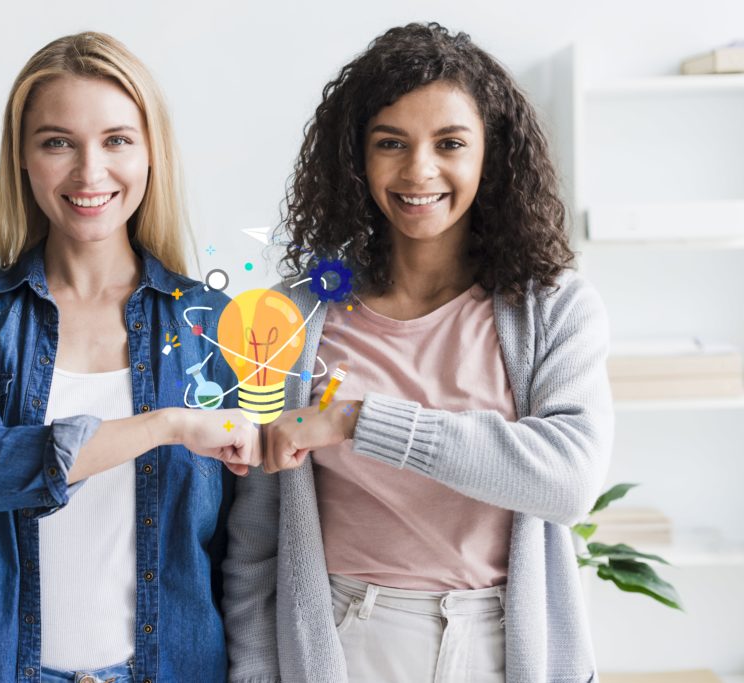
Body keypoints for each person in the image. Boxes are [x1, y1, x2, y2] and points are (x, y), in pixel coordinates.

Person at [224, 23, 613, 683]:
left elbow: (568, 479)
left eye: (450, 143)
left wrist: (354, 420)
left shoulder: (553, 307)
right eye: (390, 144)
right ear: (356, 158)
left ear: (493, 152)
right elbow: (256, 541)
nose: (418, 171)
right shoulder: (296, 315)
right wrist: (257, 670)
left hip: (504, 640)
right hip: (345, 639)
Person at [0, 32, 259, 683]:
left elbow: (248, 539)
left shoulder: (211, 325)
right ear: (22, 155)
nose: (89, 172)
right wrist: (167, 424)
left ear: (151, 151)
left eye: (116, 140)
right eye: (57, 142)